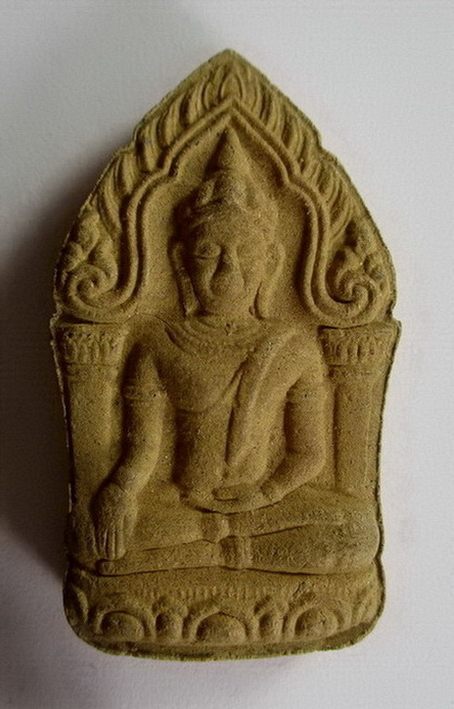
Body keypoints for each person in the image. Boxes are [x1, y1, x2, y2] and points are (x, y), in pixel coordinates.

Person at [92, 131, 379, 575]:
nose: (229, 270)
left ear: (270, 262)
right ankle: (215, 542)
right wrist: (120, 492)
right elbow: (142, 451)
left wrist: (265, 494)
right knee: (89, 533)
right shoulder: (158, 342)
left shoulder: (292, 348)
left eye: (246, 253)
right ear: (181, 261)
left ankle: (211, 550)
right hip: (184, 502)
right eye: (209, 252)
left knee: (358, 531)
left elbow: (308, 454)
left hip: (260, 506)